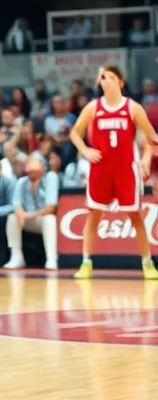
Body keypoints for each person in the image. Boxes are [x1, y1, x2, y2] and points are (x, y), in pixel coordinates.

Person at [69, 65, 158, 280]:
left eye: (109, 77)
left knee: (136, 217)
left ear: (121, 81)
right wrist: (85, 151)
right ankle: (86, 262)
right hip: (100, 170)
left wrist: (146, 158)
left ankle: (147, 263)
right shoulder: (93, 107)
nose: (104, 80)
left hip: (126, 170)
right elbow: (74, 133)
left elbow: (151, 137)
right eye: (102, 77)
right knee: (93, 216)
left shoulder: (132, 107)